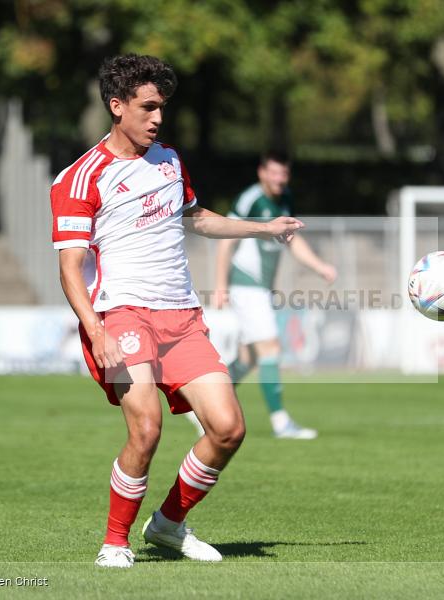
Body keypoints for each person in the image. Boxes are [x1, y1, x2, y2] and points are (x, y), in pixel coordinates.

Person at [51, 54, 303, 569]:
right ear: (116, 106)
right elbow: (70, 268)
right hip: (122, 315)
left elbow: (198, 219)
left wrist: (264, 227)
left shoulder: (168, 161)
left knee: (229, 428)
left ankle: (167, 525)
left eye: (161, 107)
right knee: (145, 427)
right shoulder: (80, 178)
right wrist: (94, 328)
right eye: (147, 107)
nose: (158, 117)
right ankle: (114, 543)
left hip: (182, 319)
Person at [204, 152, 337, 439]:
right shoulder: (250, 199)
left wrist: (319, 267)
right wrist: (220, 285)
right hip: (245, 284)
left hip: (261, 288)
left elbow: (293, 239)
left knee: (249, 358)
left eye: (283, 174)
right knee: (271, 348)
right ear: (262, 172)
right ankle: (281, 423)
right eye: (274, 173)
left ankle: (202, 402)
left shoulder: (285, 197)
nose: (279, 179)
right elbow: (226, 240)